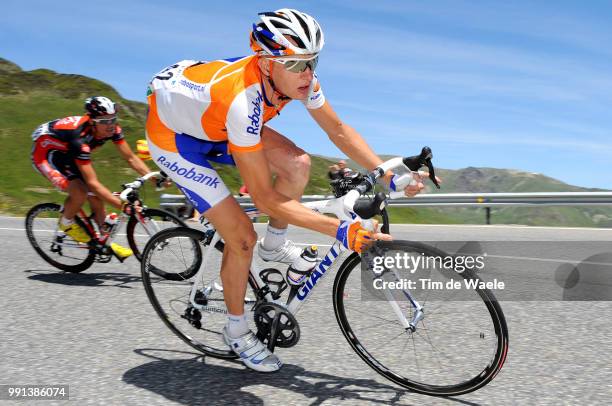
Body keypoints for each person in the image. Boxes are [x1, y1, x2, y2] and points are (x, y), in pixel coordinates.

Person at [145, 8, 426, 372]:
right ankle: (236, 330)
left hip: (212, 120)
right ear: (265, 64)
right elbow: (263, 197)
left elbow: (338, 130)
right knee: (241, 238)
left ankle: (275, 246)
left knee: (299, 163)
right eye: (296, 65)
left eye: (313, 62)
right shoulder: (242, 101)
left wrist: (386, 171)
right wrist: (341, 230)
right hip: (176, 141)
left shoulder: (301, 79)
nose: (308, 75)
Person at [31, 96, 153, 260]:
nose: (110, 125)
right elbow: (93, 183)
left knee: (96, 197)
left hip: (68, 152)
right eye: (104, 121)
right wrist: (122, 206)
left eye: (112, 119)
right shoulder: (79, 139)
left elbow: (130, 157)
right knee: (81, 192)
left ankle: (103, 240)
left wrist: (152, 177)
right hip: (47, 155)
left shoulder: (112, 129)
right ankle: (66, 222)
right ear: (92, 121)